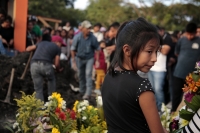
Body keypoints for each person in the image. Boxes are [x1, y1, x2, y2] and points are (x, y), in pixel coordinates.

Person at [101, 18, 167, 133]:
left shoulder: (109, 76)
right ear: (127, 50)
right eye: (149, 51)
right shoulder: (141, 87)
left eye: (156, 52)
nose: (155, 59)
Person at [26, 35, 65, 101]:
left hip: (34, 65)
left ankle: (40, 109)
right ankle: (51, 103)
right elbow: (56, 64)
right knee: (51, 80)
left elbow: (28, 49)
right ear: (57, 42)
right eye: (61, 44)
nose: (61, 46)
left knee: (38, 90)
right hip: (46, 65)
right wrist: (58, 70)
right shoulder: (57, 48)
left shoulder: (41, 43)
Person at [172, 22, 200, 112]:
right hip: (178, 73)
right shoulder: (181, 40)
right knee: (176, 95)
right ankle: (173, 112)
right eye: (188, 34)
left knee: (189, 98)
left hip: (192, 77)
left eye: (191, 34)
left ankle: (184, 115)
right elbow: (176, 52)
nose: (189, 37)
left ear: (195, 32)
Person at [71, 20, 100, 100]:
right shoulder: (77, 37)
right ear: (82, 28)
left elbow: (97, 49)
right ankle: (82, 91)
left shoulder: (93, 38)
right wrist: (73, 61)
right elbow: (72, 49)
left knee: (88, 74)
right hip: (79, 58)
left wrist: (97, 60)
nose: (89, 30)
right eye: (87, 28)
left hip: (89, 59)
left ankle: (88, 93)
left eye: (90, 28)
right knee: (80, 75)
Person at [148, 26, 172, 112]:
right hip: (151, 68)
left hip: (160, 69)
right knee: (152, 89)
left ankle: (162, 110)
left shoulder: (167, 38)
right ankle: (155, 108)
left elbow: (165, 51)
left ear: (162, 31)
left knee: (158, 90)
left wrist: (154, 45)